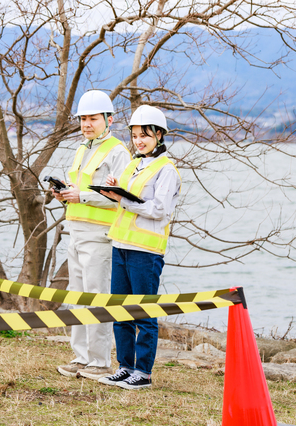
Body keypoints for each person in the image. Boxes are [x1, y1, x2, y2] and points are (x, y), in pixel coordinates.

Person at [97, 105, 181, 390]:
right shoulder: (134, 164)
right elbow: (125, 196)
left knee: (143, 313)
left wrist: (123, 200)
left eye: (145, 135)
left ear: (159, 135)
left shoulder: (167, 170)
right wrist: (112, 187)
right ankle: (124, 367)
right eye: (135, 135)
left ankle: (142, 373)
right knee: (120, 311)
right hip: (120, 244)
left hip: (146, 251)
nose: (139, 140)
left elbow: (158, 210)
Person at [52, 90, 131, 380]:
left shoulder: (118, 152)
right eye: (83, 119)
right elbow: (81, 190)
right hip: (76, 231)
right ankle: (81, 357)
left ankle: (99, 362)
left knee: (98, 298)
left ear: (109, 119)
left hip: (100, 235)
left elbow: (120, 197)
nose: (87, 124)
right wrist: (64, 194)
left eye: (92, 118)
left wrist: (81, 196)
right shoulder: (82, 149)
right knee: (77, 297)